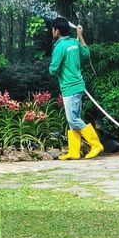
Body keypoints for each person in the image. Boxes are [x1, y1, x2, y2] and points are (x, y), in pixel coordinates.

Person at [48, 17, 103, 160]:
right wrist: (80, 36)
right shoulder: (74, 42)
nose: (51, 31)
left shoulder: (59, 47)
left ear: (57, 31)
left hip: (69, 87)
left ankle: (95, 144)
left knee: (73, 119)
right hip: (78, 86)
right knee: (74, 119)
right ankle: (74, 151)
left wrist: (58, 68)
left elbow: (53, 69)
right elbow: (86, 52)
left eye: (53, 29)